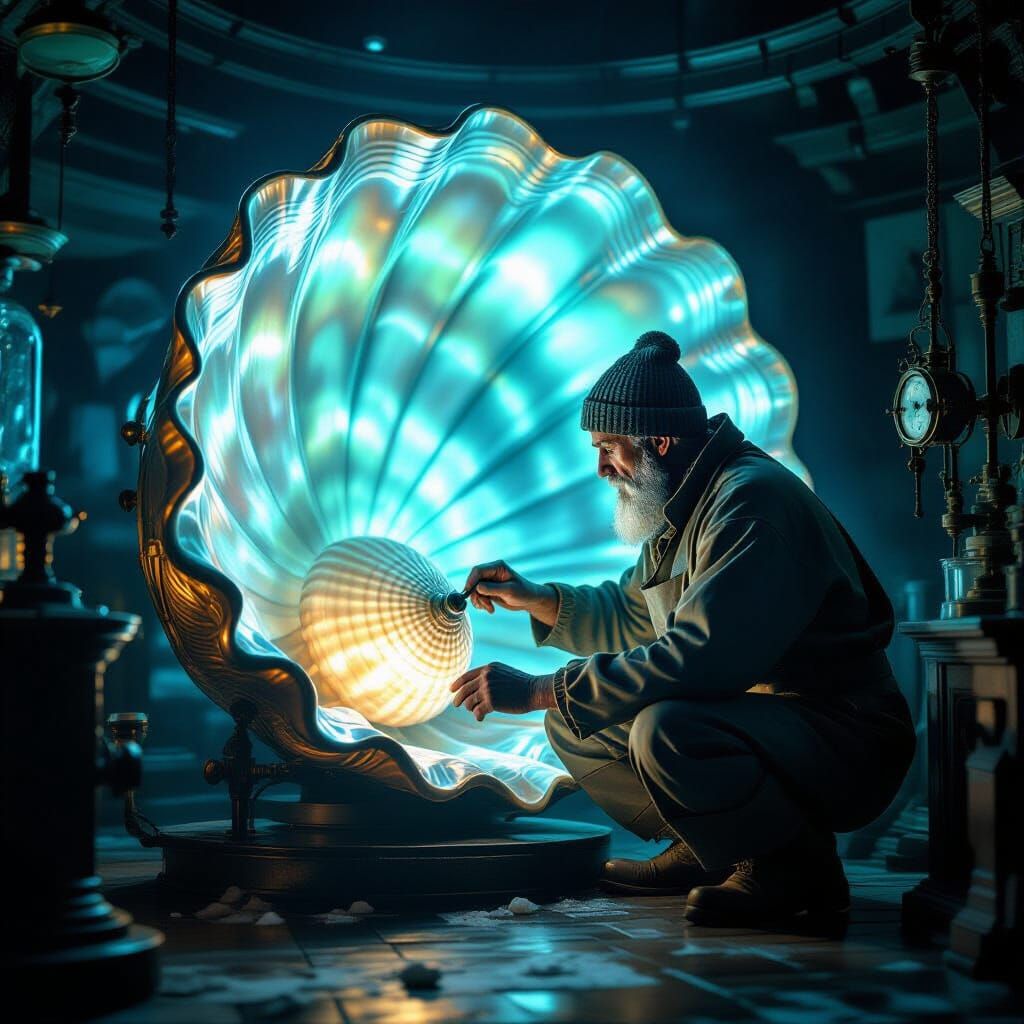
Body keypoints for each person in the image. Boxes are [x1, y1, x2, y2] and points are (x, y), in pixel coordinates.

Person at [450, 330, 915, 928]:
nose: (601, 468)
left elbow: (697, 658)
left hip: (846, 735)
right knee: (574, 721)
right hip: (773, 725)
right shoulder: (686, 502)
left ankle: (792, 866)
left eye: (609, 448)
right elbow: (632, 615)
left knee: (666, 729)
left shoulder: (750, 503)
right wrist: (537, 599)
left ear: (659, 441)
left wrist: (541, 687)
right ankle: (710, 847)